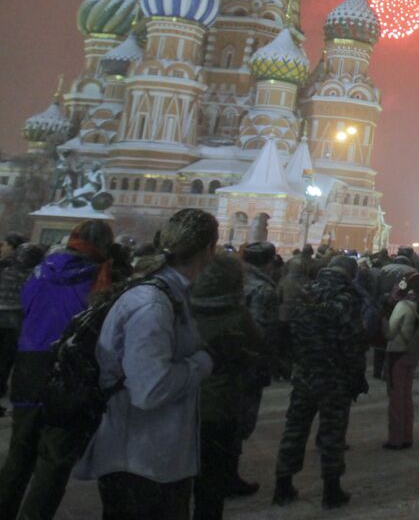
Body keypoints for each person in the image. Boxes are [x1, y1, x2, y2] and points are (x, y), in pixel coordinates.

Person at [75, 208, 226, 520]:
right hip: (139, 462)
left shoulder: (170, 293)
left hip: (158, 458)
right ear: (208, 248)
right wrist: (204, 361)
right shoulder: (153, 304)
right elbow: (150, 389)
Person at [0, 221, 116, 520]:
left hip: (28, 365)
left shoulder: (40, 270)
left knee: (19, 456)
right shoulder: (100, 276)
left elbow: (26, 305)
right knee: (53, 461)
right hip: (68, 369)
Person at [272, 254, 368, 509]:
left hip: (304, 372)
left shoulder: (305, 291)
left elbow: (289, 330)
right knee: (332, 432)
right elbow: (352, 341)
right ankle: (331, 489)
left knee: (295, 426)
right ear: (349, 274)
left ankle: (283, 483)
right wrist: (357, 374)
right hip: (334, 375)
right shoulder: (348, 299)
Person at [191, 253, 263, 520]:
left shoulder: (183, 305)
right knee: (211, 481)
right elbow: (259, 342)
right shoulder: (235, 313)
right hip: (219, 405)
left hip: (182, 402)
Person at [235, 241, 279, 496]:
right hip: (248, 364)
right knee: (240, 420)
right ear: (268, 262)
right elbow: (262, 334)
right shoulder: (263, 289)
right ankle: (228, 473)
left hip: (223, 361)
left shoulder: (231, 280)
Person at [384, 271, 419, 450]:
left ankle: (395, 438)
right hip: (412, 354)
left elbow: (390, 333)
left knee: (396, 397)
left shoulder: (403, 306)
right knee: (406, 396)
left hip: (397, 353)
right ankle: (407, 435)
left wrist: (381, 319)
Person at [0, 241, 40, 418]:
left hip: (5, 318)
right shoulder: (34, 277)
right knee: (6, 361)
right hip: (16, 322)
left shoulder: (6, 271)